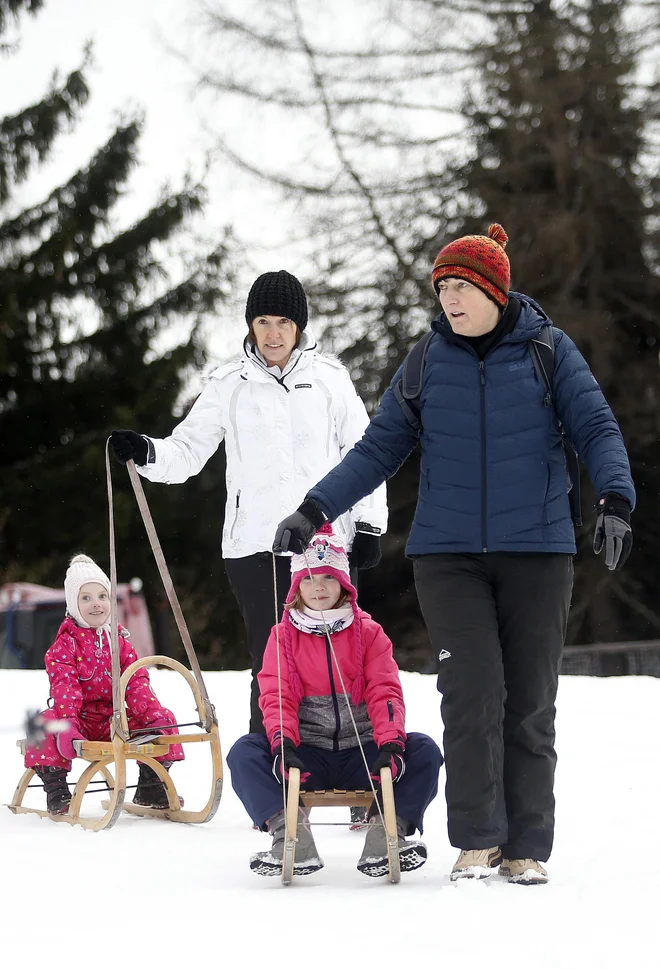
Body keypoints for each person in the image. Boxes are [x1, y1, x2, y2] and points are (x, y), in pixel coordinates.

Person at [273, 224, 635, 885]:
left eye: (462, 287)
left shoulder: (549, 352)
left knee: (528, 699)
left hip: (539, 552)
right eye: (442, 289)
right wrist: (314, 509)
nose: (451, 301)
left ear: (496, 291)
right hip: (449, 556)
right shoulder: (425, 363)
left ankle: (526, 844)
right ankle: (477, 837)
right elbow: (377, 449)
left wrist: (615, 497)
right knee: (470, 693)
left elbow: (597, 427)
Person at [109, 270, 387, 751]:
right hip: (253, 545)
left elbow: (365, 453)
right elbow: (189, 449)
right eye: (263, 321)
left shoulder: (330, 380)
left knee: (338, 658)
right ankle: (275, 775)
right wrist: (149, 452)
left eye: (283, 321)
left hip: (324, 545)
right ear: (250, 325)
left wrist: (368, 524)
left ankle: (354, 770)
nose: (274, 333)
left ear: (299, 326)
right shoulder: (227, 384)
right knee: (270, 662)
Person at [227, 524, 443, 877]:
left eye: (328, 578)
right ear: (297, 586)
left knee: (425, 751)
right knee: (245, 753)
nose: (319, 588)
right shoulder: (282, 636)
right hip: (305, 752)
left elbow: (384, 690)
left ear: (344, 583)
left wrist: (389, 742)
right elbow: (276, 694)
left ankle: (385, 832)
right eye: (310, 580)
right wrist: (284, 744)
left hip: (363, 751)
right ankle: (289, 836)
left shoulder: (369, 632)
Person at [24, 554, 184, 815]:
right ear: (73, 604)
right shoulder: (64, 646)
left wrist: (150, 715)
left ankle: (151, 784)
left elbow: (136, 682)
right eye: (85, 598)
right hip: (80, 721)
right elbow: (65, 687)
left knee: (164, 718)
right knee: (43, 726)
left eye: (101, 596)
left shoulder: (119, 642)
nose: (96, 604)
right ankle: (56, 788)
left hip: (114, 720)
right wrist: (69, 724)